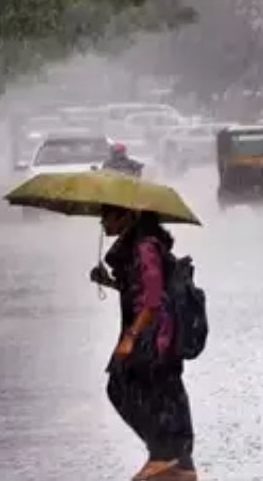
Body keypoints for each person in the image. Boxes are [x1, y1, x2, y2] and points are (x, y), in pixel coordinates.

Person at [90, 205, 196, 481]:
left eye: (107, 215)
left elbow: (151, 298)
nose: (103, 222)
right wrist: (110, 282)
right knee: (163, 394)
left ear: (127, 216)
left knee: (123, 387)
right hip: (157, 331)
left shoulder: (145, 247)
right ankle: (179, 463)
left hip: (155, 334)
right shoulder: (140, 245)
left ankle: (163, 455)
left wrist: (130, 337)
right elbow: (138, 288)